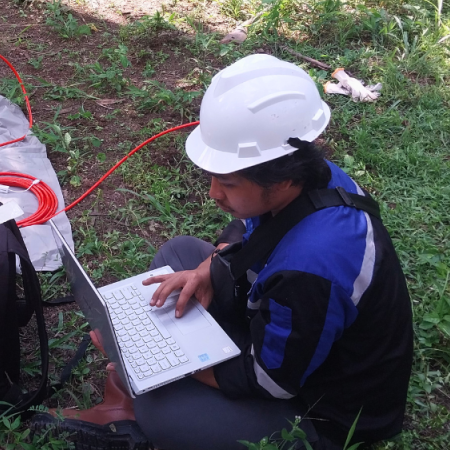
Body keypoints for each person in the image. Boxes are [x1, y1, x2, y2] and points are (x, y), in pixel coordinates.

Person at [32, 54, 414, 450]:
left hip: (319, 409)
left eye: (228, 183)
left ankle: (137, 407)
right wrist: (206, 270)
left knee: (164, 411)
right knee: (179, 256)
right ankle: (135, 391)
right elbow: (249, 234)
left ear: (281, 178)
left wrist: (171, 362)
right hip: (285, 329)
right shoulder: (314, 176)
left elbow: (271, 380)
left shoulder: (313, 267)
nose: (214, 192)